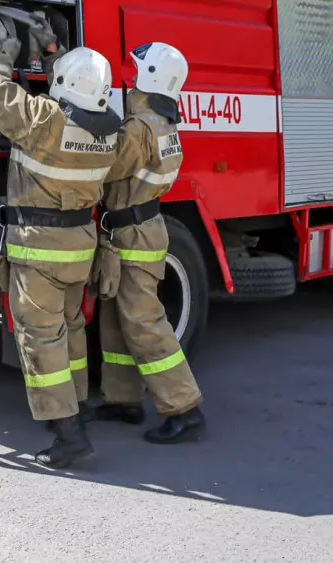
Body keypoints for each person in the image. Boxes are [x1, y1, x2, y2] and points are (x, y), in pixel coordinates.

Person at [0, 14, 121, 469]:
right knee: (71, 330)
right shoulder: (107, 134)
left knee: (41, 340)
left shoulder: (44, 120)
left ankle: (67, 434)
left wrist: (2, 56)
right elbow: (75, 98)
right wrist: (55, 54)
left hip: (39, 252)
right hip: (79, 250)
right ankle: (77, 407)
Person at [91, 42, 206, 443]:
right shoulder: (162, 122)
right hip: (137, 228)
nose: (131, 79)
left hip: (134, 231)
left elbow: (104, 166)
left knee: (144, 322)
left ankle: (185, 408)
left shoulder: (140, 127)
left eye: (137, 71)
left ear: (150, 76)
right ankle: (123, 400)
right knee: (116, 318)